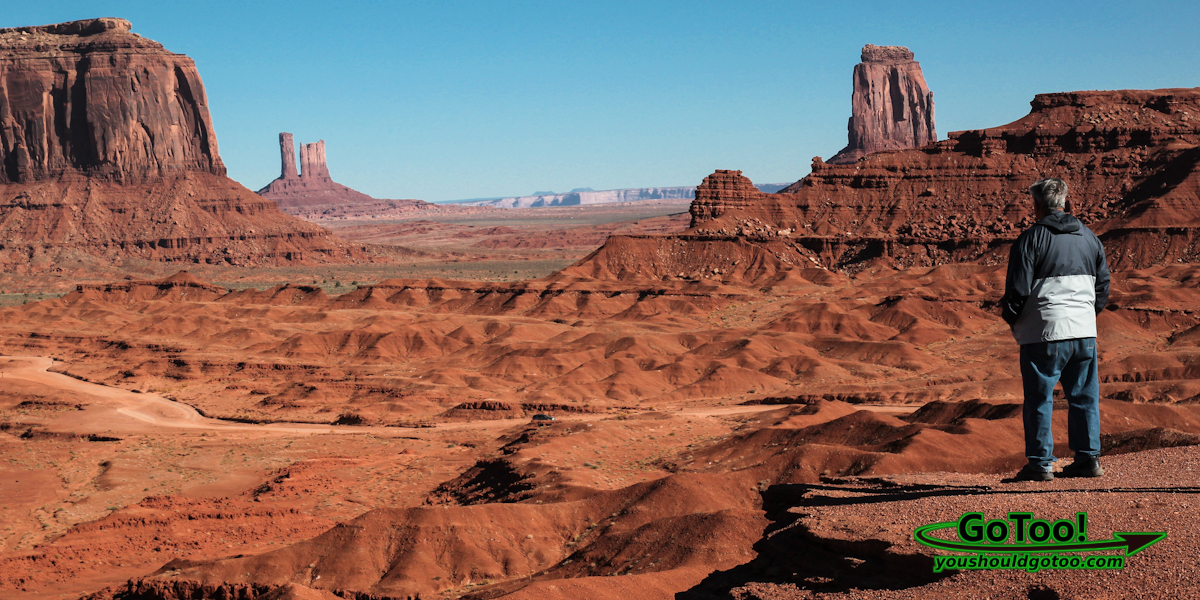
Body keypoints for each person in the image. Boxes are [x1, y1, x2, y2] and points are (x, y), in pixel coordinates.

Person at [1001, 177, 1110, 481]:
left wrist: (1014, 320)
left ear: (1037, 205)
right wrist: (1088, 314)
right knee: (1084, 396)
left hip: (1044, 333)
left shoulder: (1030, 239)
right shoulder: (1090, 238)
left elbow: (1017, 291)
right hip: (1084, 332)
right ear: (1065, 202)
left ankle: (1040, 463)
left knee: (1040, 397)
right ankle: (1088, 459)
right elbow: (1103, 287)